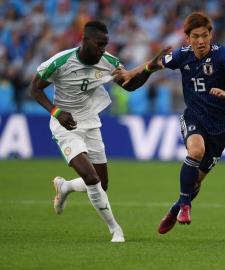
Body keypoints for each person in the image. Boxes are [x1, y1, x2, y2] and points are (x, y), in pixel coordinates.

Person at [113, 12, 225, 234]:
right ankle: (186, 206)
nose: (200, 41)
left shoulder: (223, 55)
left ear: (211, 35)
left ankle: (175, 208)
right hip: (193, 117)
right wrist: (131, 72)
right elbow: (155, 64)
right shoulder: (181, 55)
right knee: (195, 151)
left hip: (220, 125)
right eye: (195, 36)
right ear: (187, 37)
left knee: (195, 183)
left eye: (205, 36)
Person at [30, 21, 147, 242]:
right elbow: (34, 88)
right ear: (84, 41)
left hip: (91, 123)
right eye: (99, 44)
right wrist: (56, 112)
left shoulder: (108, 62)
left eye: (106, 44)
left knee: (102, 184)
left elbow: (129, 85)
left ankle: (65, 186)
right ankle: (115, 229)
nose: (103, 49)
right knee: (91, 178)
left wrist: (150, 68)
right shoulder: (60, 62)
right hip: (65, 125)